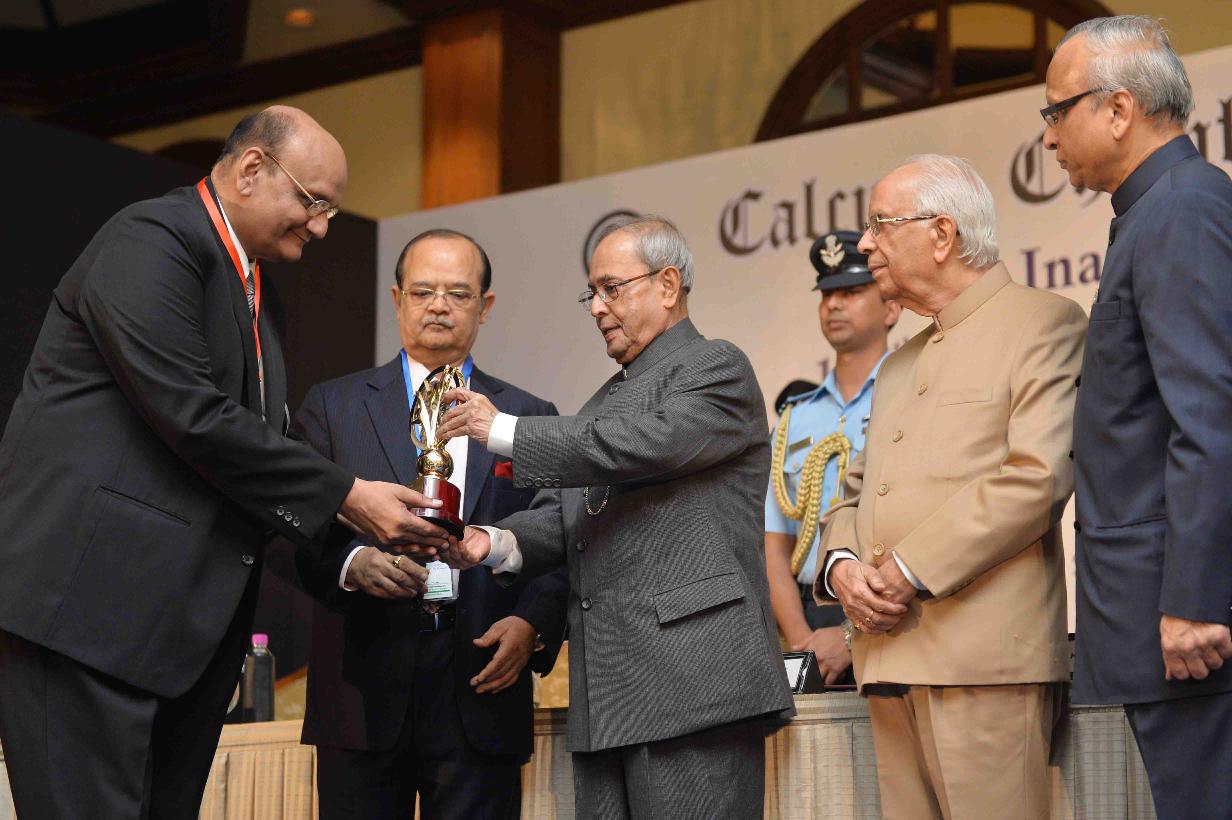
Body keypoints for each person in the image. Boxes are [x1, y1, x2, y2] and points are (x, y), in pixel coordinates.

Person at [0, 106, 450, 819]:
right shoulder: (152, 240)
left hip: (170, 641)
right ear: (251, 169)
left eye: (331, 211)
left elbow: (254, 457)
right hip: (89, 614)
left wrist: (348, 556)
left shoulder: (255, 295)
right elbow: (194, 417)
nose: (322, 228)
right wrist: (349, 495)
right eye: (313, 202)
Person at [431, 214, 794, 819]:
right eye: (591, 293)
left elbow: (644, 443)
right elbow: (565, 516)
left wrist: (501, 429)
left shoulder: (716, 367)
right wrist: (487, 543)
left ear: (668, 285)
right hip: (608, 691)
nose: (597, 307)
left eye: (612, 288)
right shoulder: (604, 400)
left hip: (695, 683)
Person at [816, 155, 1086, 819]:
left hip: (984, 665)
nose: (866, 244)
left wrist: (907, 569)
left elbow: (1038, 476)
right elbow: (853, 493)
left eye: (881, 224)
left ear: (942, 234)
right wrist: (842, 566)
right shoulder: (900, 361)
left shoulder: (1044, 322)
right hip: (885, 658)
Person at [293, 229, 570, 819]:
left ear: (484, 306)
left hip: (482, 683)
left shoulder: (528, 417)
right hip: (361, 688)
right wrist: (351, 563)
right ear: (397, 299)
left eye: (458, 293)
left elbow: (562, 538)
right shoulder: (333, 407)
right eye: (422, 292)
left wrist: (533, 624)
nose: (439, 306)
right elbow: (288, 525)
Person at [1044, 16, 1232, 816]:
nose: (1048, 135)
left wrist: (1194, 598)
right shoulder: (1158, 209)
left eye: (1057, 110)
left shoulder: (1180, 210)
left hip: (1186, 624)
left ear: (1119, 109)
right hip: (1160, 614)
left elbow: (1210, 417)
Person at [765, 230, 899, 686]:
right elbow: (774, 547)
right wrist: (802, 641)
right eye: (826, 295)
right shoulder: (793, 418)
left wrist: (848, 637)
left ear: (891, 308)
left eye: (852, 291)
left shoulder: (912, 397)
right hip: (806, 619)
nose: (834, 304)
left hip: (891, 613)